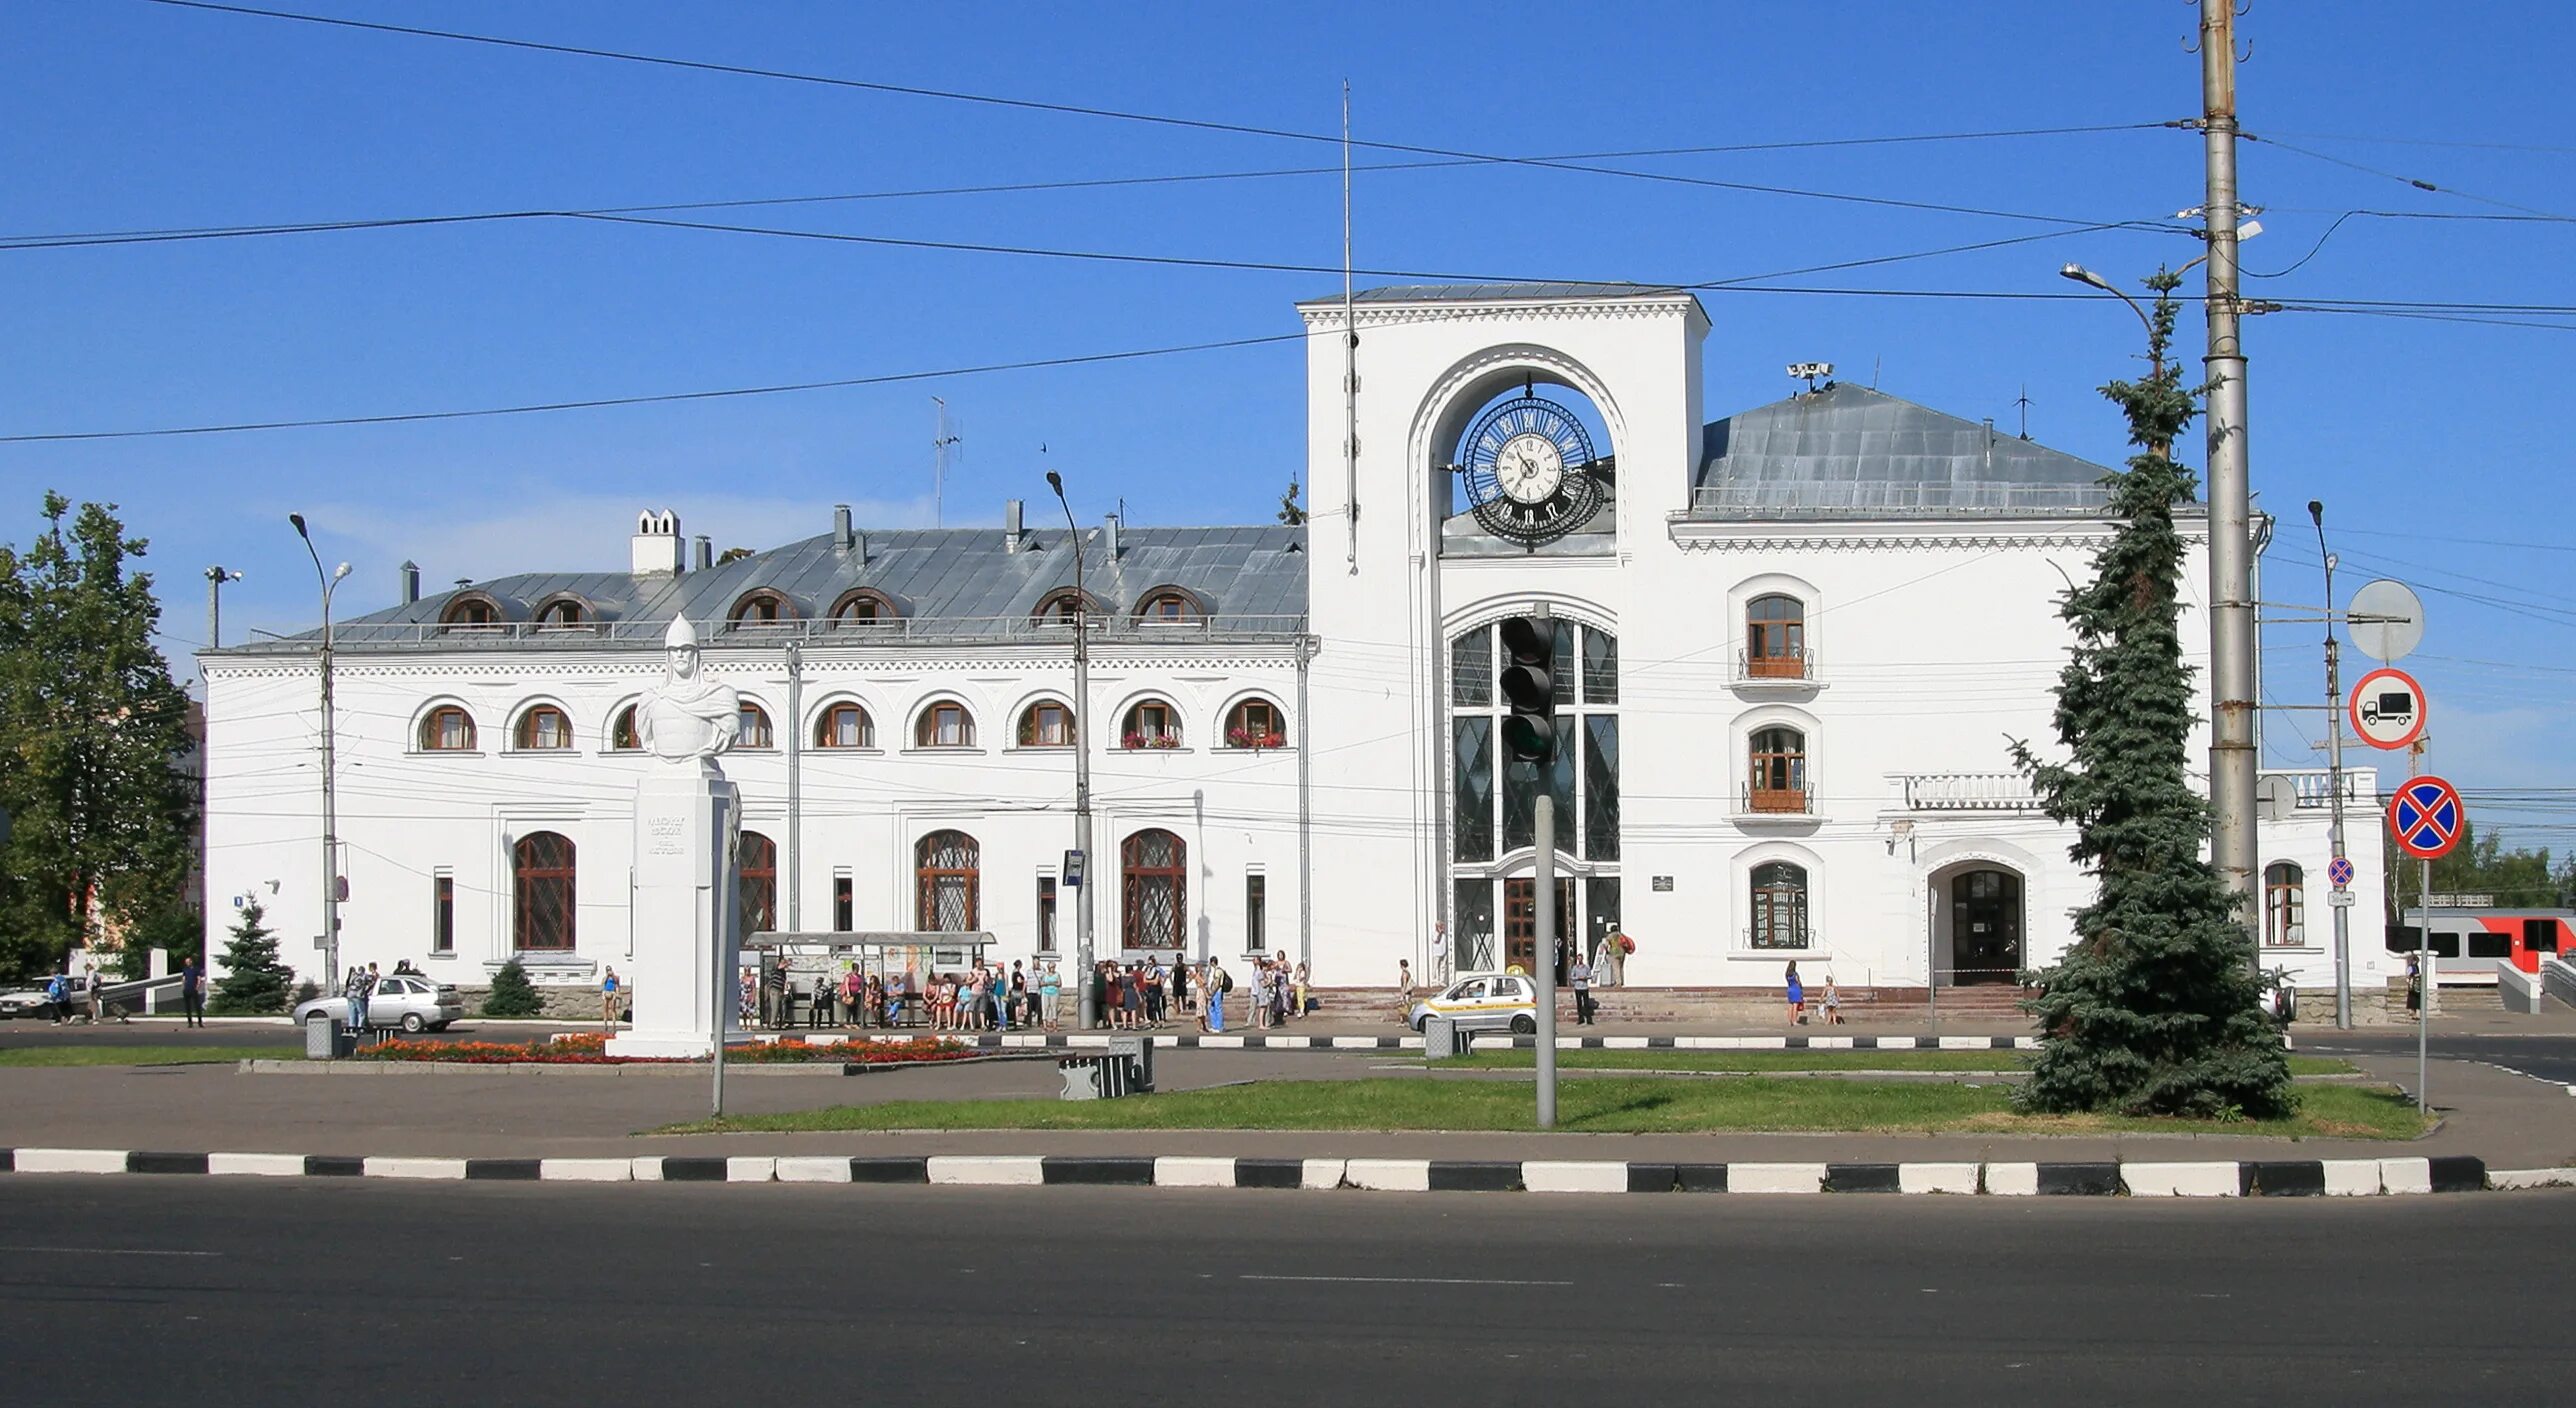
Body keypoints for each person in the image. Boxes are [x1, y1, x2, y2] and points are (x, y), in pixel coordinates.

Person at [342, 962, 375, 1038]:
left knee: (352, 1012)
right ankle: (360, 1028)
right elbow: (372, 981)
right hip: (358, 995)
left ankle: (352, 1028)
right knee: (361, 1013)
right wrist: (367, 988)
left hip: (350, 995)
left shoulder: (353, 975)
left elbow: (347, 983)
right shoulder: (364, 976)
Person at [1570, 954, 1596, 1026]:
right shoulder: (1575, 968)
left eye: (1581, 959)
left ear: (1582, 959)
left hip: (1584, 987)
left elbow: (1590, 976)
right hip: (1577, 988)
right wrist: (1578, 977)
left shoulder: (1586, 967)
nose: (1580, 960)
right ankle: (1580, 1019)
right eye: (1578, 959)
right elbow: (1572, 977)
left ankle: (1589, 1019)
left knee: (1586, 1003)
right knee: (1579, 1004)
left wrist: (1585, 977)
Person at [180, 954, 205, 1028]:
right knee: (188, 1007)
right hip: (186, 990)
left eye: (188, 961)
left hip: (193, 989)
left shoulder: (196, 969)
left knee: (197, 1006)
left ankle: (200, 1022)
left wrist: (197, 987)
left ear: (191, 961)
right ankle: (190, 1023)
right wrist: (183, 986)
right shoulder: (185, 969)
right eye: (186, 961)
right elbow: (184, 978)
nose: (187, 962)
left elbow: (199, 978)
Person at [1204, 959, 1228, 1033]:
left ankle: (1219, 1027)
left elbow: (1217, 983)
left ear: (1213, 962)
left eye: (1210, 963)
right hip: (1215, 991)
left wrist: (1212, 992)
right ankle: (1214, 1026)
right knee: (1212, 1008)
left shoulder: (1218, 971)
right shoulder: (1215, 970)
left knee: (1218, 1008)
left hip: (1217, 991)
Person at [1392, 958, 1414, 1023]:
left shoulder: (1404, 973)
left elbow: (1404, 984)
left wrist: (1403, 993)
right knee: (1405, 1006)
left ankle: (1403, 1020)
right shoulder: (1408, 972)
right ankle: (1403, 1020)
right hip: (1408, 992)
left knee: (1403, 1006)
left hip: (1406, 992)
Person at [1784, 960, 1805, 1026]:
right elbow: (1798, 982)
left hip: (1790, 989)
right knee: (1795, 1006)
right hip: (1796, 989)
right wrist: (1801, 987)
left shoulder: (1787, 974)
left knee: (1790, 1005)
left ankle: (1789, 1021)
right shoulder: (1795, 974)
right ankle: (1794, 1020)